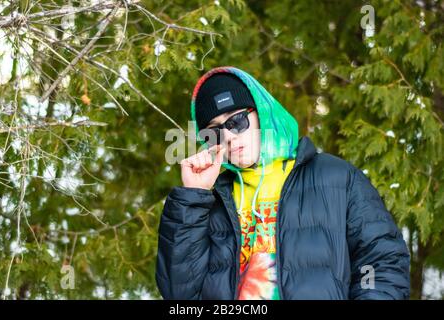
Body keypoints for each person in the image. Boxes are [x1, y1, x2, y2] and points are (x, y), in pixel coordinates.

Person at [155, 66, 410, 300]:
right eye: (215, 132)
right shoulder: (211, 202)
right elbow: (179, 294)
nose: (230, 138)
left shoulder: (337, 179)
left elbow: (383, 263)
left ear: (263, 113)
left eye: (237, 121)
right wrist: (193, 195)